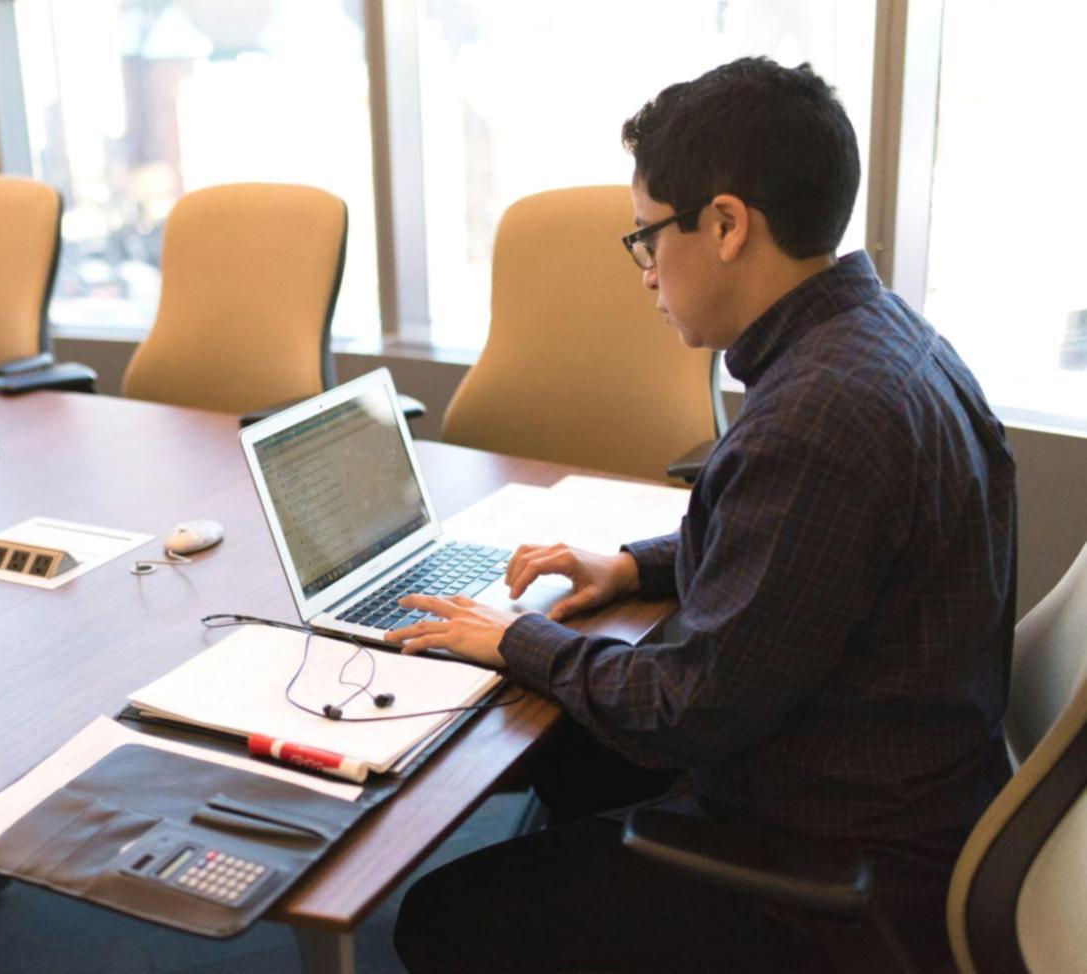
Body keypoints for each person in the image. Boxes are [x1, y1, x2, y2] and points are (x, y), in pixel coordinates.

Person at [387, 57, 1015, 973]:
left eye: (646, 237)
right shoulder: (880, 340)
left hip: (835, 867)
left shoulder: (818, 417)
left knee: (439, 915)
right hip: (899, 780)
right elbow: (803, 554)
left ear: (725, 225)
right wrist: (635, 567)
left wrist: (515, 637)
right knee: (564, 756)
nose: (644, 272)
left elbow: (683, 710)